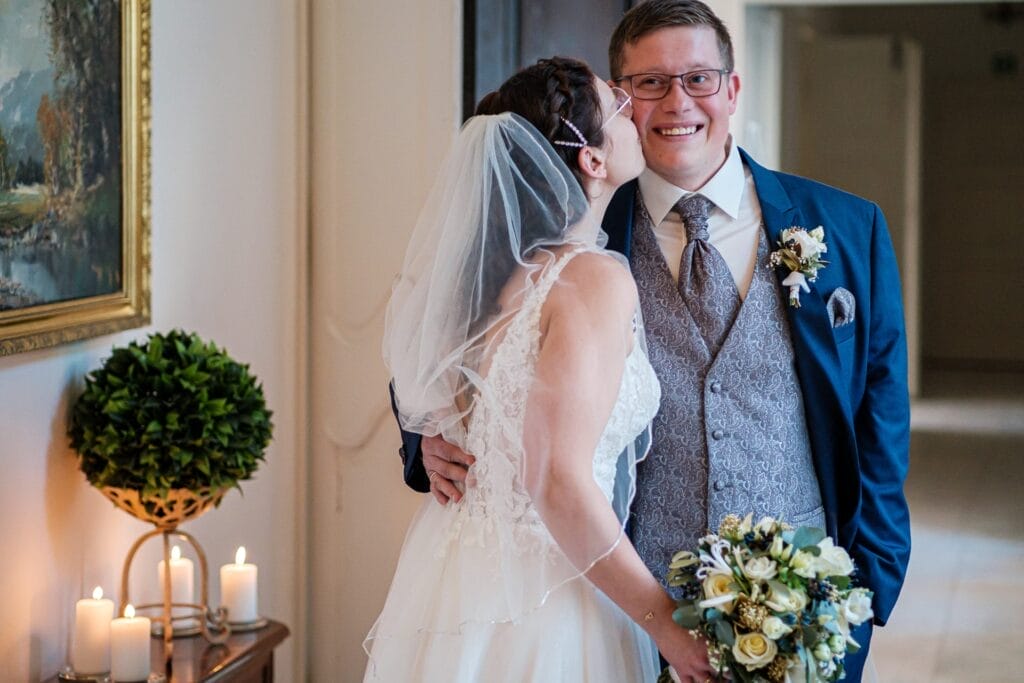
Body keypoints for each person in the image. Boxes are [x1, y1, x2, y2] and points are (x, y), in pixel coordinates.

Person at [403, 2, 912, 681]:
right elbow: (451, 315)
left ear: (732, 90)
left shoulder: (846, 227)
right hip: (629, 607)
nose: (678, 102)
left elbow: (880, 417)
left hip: (801, 600)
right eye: (647, 84)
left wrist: (866, 587)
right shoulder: (572, 225)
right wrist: (427, 439)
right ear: (622, 99)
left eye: (699, 78)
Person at [365, 57, 717, 682]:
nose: (637, 110)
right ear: (593, 161)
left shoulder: (490, 281)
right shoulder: (591, 279)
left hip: (455, 585)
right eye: (620, 105)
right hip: (548, 594)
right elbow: (556, 479)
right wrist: (665, 624)